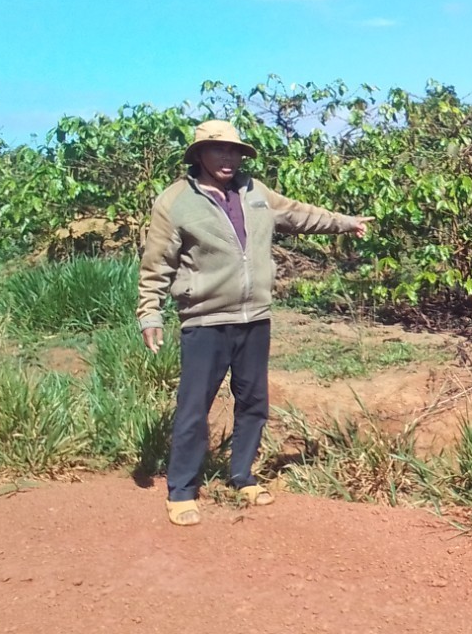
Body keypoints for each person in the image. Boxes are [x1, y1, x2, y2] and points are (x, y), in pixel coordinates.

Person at [137, 120, 373, 527]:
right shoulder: (176, 201)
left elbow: (299, 215)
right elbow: (157, 261)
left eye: (235, 151)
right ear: (200, 156)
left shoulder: (255, 192)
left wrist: (345, 222)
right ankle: (181, 489)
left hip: (255, 318)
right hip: (205, 319)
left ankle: (242, 475)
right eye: (218, 150)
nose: (228, 158)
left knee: (253, 403)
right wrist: (150, 312)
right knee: (194, 407)